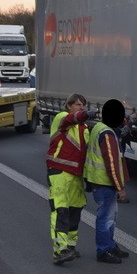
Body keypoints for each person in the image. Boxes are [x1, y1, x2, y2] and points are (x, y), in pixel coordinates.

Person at [46, 93, 93, 264]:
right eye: (78, 104)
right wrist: (84, 115)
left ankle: (71, 247)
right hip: (59, 171)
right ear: (69, 106)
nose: (82, 107)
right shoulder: (63, 118)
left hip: (76, 175)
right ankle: (59, 251)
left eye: (83, 105)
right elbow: (70, 120)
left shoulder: (83, 127)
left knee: (75, 209)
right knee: (61, 210)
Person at [84, 99, 131, 264]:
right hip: (104, 182)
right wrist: (120, 188)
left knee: (110, 216)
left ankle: (110, 246)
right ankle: (103, 250)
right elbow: (111, 163)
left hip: (98, 181)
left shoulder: (99, 127)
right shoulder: (107, 133)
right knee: (106, 217)